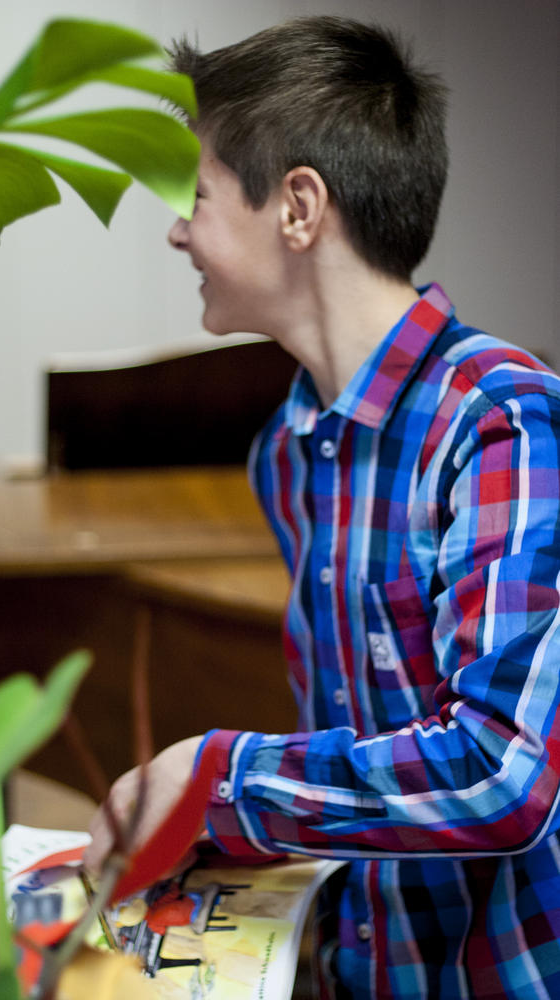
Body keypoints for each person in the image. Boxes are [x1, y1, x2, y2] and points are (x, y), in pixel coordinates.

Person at [84, 16, 560, 999]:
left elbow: (505, 778)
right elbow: (361, 743)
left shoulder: (500, 416)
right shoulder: (286, 452)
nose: (177, 229)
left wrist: (216, 781)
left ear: (298, 207)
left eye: (198, 196)